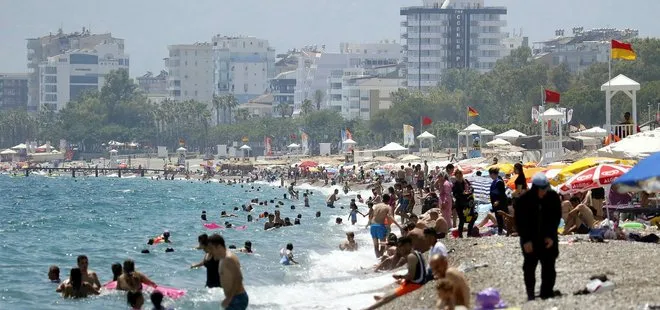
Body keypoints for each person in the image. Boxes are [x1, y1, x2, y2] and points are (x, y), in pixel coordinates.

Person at [514, 173, 562, 300]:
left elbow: (555, 218)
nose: (544, 192)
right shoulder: (523, 201)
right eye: (542, 190)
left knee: (549, 266)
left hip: (548, 239)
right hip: (530, 239)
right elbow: (520, 222)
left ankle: (546, 293)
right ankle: (530, 294)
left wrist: (551, 236)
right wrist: (526, 240)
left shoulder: (552, 198)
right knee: (529, 267)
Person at [364, 237, 428, 310]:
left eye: (401, 247)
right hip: (417, 281)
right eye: (399, 247)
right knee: (392, 290)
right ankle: (385, 295)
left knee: (386, 299)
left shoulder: (411, 256)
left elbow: (411, 276)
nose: (400, 249)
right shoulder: (416, 253)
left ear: (407, 245)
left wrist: (400, 276)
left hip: (415, 284)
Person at [207, 234, 249, 310]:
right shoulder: (223, 258)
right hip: (235, 298)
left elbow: (239, 278)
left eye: (211, 249)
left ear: (219, 247)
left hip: (237, 299)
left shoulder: (228, 258)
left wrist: (229, 298)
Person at [370, 194, 402, 258]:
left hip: (372, 226)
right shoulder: (388, 207)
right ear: (389, 200)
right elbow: (390, 217)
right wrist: (399, 226)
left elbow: (371, 216)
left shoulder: (376, 206)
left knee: (375, 245)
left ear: (382, 199)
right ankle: (380, 259)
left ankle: (377, 258)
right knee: (382, 245)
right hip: (380, 226)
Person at [452, 170, 475, 238]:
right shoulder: (455, 184)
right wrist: (463, 194)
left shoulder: (466, 182)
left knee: (472, 217)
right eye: (457, 176)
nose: (459, 177)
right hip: (460, 204)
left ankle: (469, 233)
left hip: (468, 204)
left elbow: (472, 188)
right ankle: (460, 235)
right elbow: (455, 195)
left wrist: (469, 191)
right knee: (461, 219)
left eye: (460, 175)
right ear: (455, 176)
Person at [488, 168, 508, 235]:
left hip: (499, 203)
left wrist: (498, 201)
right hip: (495, 202)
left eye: (490, 174)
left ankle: (500, 231)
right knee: (498, 216)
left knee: (500, 217)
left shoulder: (499, 181)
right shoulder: (495, 181)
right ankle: (501, 230)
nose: (489, 176)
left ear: (492, 174)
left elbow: (501, 193)